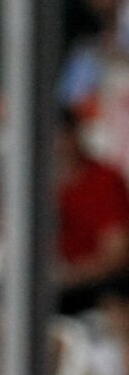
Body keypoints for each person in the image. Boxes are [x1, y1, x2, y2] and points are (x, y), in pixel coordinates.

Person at [54, 109, 129, 315]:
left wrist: (71, 275)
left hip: (91, 286)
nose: (57, 145)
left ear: (75, 134)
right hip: (50, 282)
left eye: (62, 135)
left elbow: (116, 254)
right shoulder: (32, 188)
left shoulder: (105, 179)